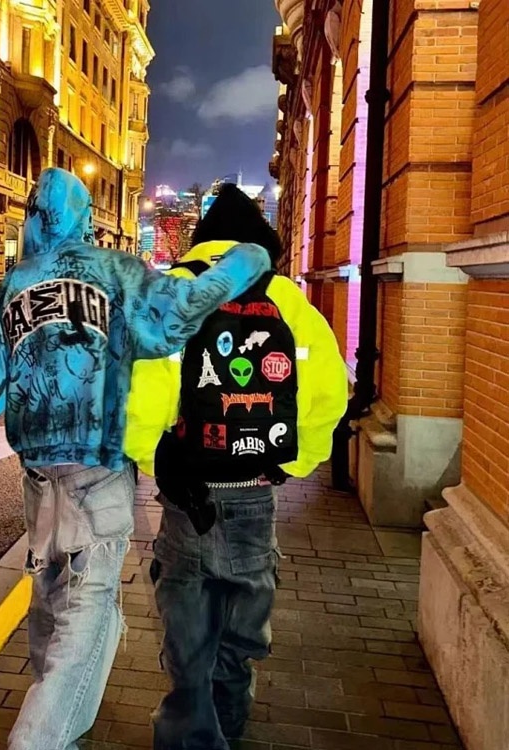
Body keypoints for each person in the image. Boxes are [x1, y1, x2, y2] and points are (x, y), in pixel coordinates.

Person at [0, 168, 273, 750]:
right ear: (85, 220)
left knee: (50, 595)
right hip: (96, 469)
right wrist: (244, 261)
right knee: (89, 610)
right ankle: (38, 740)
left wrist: (6, 391)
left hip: (37, 474)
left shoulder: (16, 282)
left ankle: (61, 733)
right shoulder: (114, 272)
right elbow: (175, 315)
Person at [124, 184, 349, 750]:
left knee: (187, 631)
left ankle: (190, 732)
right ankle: (226, 727)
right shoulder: (289, 300)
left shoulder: (174, 292)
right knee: (240, 636)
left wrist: (156, 459)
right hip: (253, 494)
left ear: (202, 243)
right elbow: (329, 395)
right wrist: (291, 462)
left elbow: (137, 395)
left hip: (188, 497)